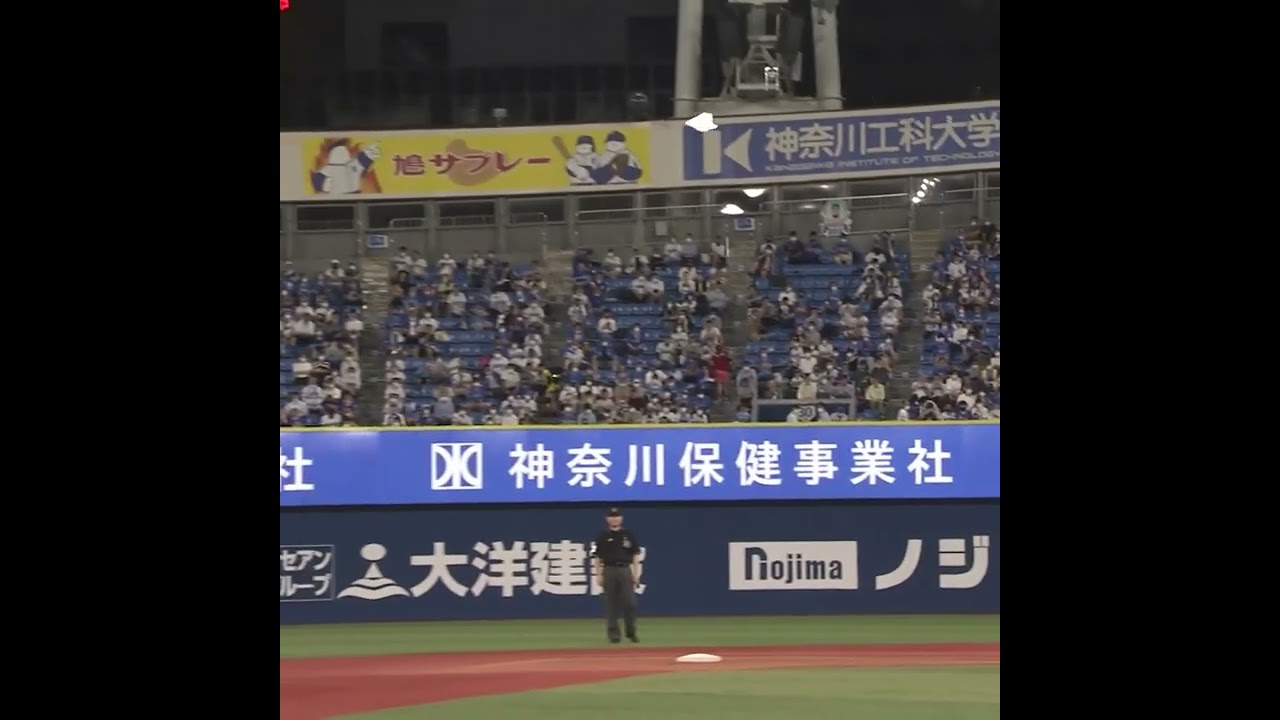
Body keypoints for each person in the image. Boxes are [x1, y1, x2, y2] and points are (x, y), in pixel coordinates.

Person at [592, 507, 641, 643]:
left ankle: (631, 632)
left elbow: (635, 555)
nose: (614, 519)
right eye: (612, 516)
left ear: (621, 518)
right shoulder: (602, 535)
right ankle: (614, 635)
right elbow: (596, 557)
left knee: (630, 603)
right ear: (607, 519)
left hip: (624, 569)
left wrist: (635, 574)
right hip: (609, 569)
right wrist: (598, 575)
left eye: (617, 516)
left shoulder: (628, 535)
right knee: (611, 604)